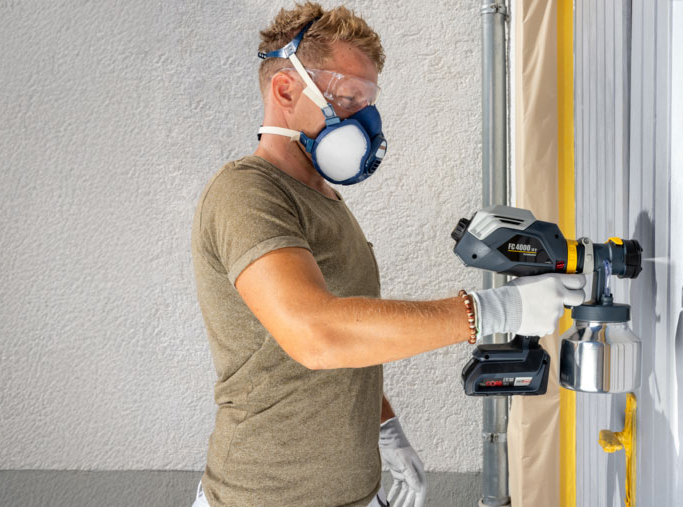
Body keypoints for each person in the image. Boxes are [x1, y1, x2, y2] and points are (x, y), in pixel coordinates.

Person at [190, 3, 585, 506]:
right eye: (348, 99)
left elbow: (347, 336)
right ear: (286, 91)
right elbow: (316, 334)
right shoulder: (246, 194)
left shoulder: (325, 200)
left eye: (368, 101)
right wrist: (493, 310)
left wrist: (384, 426)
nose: (365, 120)